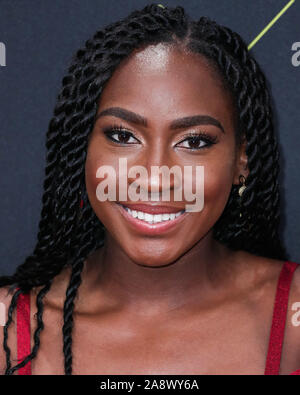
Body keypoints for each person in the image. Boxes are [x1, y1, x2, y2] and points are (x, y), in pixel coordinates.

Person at [0, 3, 299, 375]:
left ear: (242, 161)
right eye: (123, 136)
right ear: (82, 150)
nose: (155, 177)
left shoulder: (292, 317)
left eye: (194, 142)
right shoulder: (7, 330)